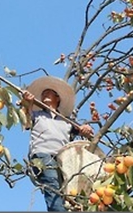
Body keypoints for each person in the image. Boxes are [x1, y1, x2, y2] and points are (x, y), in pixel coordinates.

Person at [21, 76, 94, 212]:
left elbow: (84, 132)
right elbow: (26, 122)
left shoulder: (66, 121)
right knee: (53, 188)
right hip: (42, 156)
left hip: (63, 161)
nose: (45, 94)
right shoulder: (37, 115)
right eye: (43, 93)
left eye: (49, 92)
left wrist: (86, 129)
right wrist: (28, 104)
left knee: (66, 195)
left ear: (57, 98)